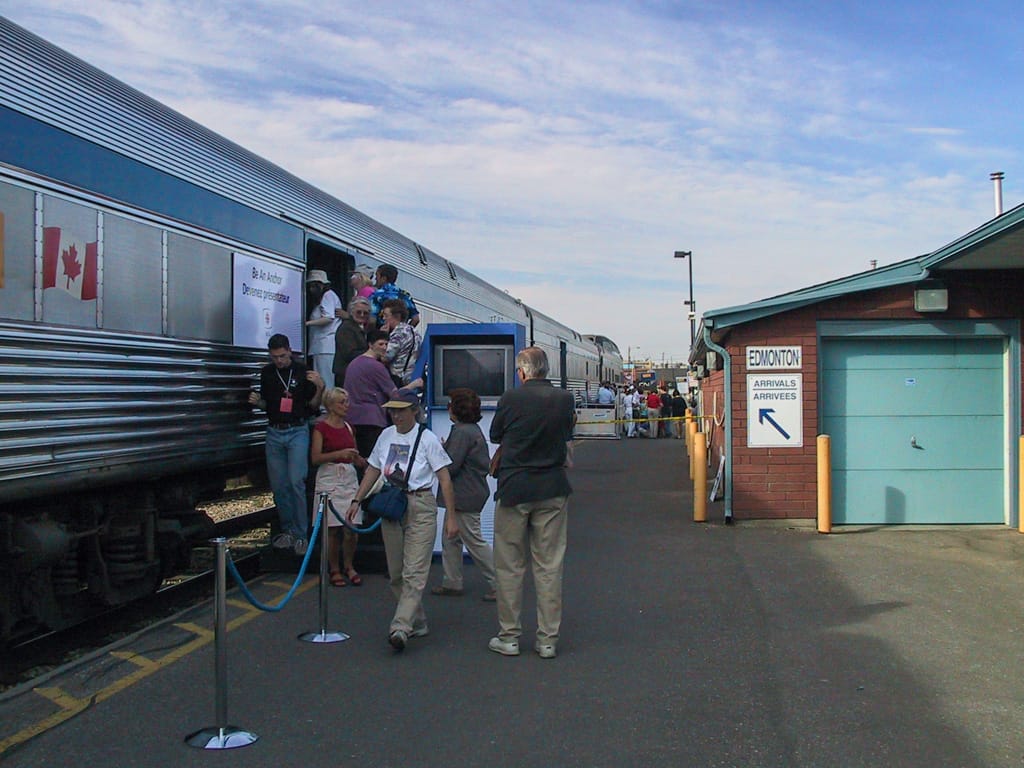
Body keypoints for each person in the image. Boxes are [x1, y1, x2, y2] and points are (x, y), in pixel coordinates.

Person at [345, 392, 459, 652]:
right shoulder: (386, 436)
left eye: (401, 410)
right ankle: (417, 621)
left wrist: (451, 517)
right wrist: (356, 499)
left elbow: (444, 479)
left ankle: (400, 627)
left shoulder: (428, 439)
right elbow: (373, 469)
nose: (396, 416)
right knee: (396, 573)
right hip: (393, 504)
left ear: (414, 411)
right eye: (392, 411)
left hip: (421, 504)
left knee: (414, 572)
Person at [488, 347, 575, 660]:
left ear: (523, 372)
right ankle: (547, 640)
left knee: (510, 565)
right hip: (552, 487)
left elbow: (495, 435)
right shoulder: (564, 399)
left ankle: (509, 636)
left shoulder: (511, 398)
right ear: (546, 369)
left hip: (515, 487)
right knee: (549, 565)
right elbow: (566, 434)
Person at [248, 334, 324, 556]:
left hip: (297, 429)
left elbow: (313, 406)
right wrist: (258, 402)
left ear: (289, 351)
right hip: (274, 430)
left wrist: (320, 388)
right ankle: (288, 529)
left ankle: (301, 534)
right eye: (275, 357)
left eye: (282, 356)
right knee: (279, 485)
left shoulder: (301, 371)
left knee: (296, 481)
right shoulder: (267, 373)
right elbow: (268, 404)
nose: (279, 361)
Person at [430, 388, 497, 602]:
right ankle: (452, 581)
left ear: (456, 409)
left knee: (473, 540)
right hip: (471, 491)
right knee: (451, 538)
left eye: (450, 404)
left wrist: (438, 454)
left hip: (463, 494)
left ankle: (501, 583)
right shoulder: (472, 430)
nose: (448, 408)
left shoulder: (461, 432)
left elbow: (451, 465)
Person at [311, 387, 367, 586]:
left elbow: (354, 453)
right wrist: (339, 454)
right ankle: (334, 567)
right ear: (331, 405)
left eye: (347, 401)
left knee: (352, 527)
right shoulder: (321, 428)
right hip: (329, 476)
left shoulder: (349, 427)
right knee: (332, 528)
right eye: (342, 402)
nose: (346, 406)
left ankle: (349, 565)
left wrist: (360, 461)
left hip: (348, 477)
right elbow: (315, 458)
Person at [304, 270, 342, 391]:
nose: (311, 289)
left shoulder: (328, 295)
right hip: (321, 346)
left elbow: (328, 317)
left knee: (325, 381)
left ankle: (327, 402)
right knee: (322, 381)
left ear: (321, 285)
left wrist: (307, 323)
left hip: (325, 345)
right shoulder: (326, 298)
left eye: (314, 286)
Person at [381, 298, 422, 387]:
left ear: (397, 316)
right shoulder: (415, 332)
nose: (383, 318)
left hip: (397, 379)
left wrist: (383, 336)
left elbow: (385, 357)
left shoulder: (398, 333)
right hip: (411, 377)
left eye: (386, 315)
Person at [332, 296, 371, 387]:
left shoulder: (360, 327)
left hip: (355, 373)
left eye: (365, 313)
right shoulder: (346, 328)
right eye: (359, 312)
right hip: (346, 374)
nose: (362, 315)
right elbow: (350, 354)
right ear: (351, 312)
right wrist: (372, 353)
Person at [369, 263, 420, 327]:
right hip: (400, 331)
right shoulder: (405, 295)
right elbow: (416, 319)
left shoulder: (377, 295)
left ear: (384, 278)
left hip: (380, 331)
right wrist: (405, 330)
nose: (375, 279)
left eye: (377, 276)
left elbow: (371, 321)